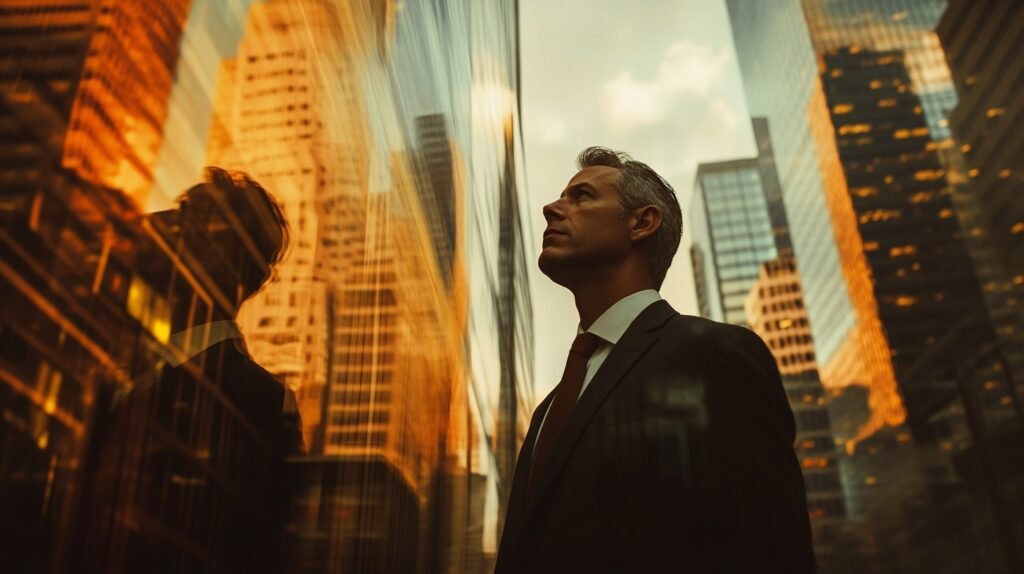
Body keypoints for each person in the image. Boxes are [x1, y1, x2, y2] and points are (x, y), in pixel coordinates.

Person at [495, 148, 815, 573]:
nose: (551, 208)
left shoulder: (715, 355)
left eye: (582, 196)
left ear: (642, 223)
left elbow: (772, 544)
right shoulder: (547, 410)